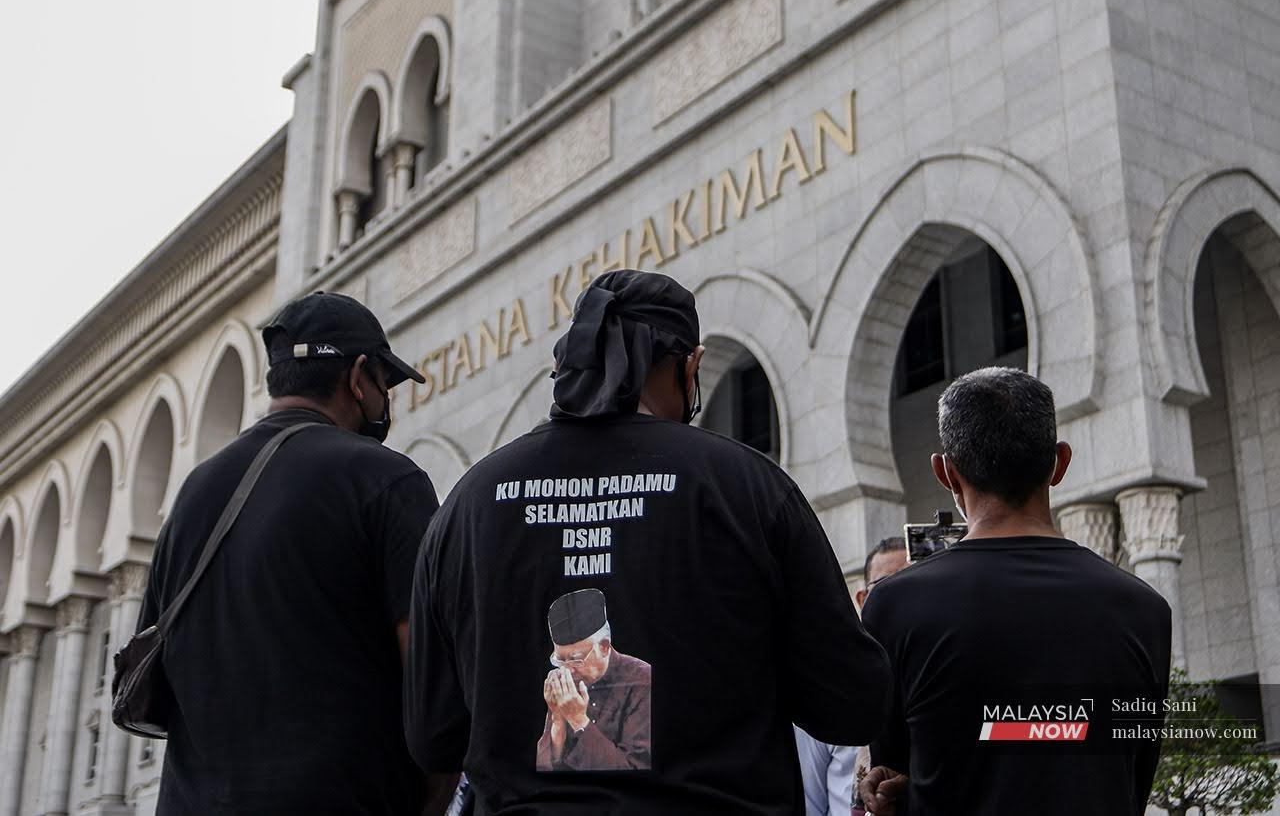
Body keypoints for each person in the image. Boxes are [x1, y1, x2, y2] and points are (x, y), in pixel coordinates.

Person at [404, 269, 892, 815]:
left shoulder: (467, 505)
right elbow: (851, 704)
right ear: (691, 366)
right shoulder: (745, 485)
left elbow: (434, 738)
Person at [137, 292, 446, 815]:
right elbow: (431, 679)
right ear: (358, 376)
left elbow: (162, 674)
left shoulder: (194, 494)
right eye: (384, 385)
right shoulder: (386, 479)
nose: (385, 401)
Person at [858, 367, 1172, 816]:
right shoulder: (1144, 609)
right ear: (1059, 462)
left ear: (946, 472)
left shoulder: (894, 605)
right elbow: (1131, 778)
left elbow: (892, 771)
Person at [796, 537, 907, 816]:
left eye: (912, 581)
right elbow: (808, 803)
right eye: (886, 586)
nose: (903, 598)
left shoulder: (935, 682)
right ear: (863, 599)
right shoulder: (830, 686)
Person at [536, 588, 652, 770]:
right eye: (560, 660)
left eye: (576, 659)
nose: (568, 670)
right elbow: (543, 771)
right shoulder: (566, 679)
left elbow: (635, 770)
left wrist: (578, 720)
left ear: (604, 647)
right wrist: (557, 720)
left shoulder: (642, 680)